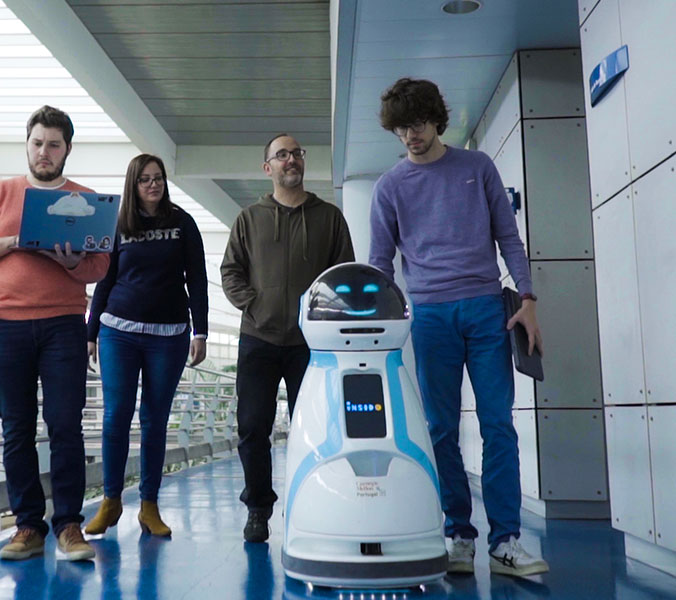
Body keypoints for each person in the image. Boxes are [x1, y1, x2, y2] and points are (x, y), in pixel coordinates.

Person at [369, 78, 549, 578]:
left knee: (498, 425)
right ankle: (459, 536)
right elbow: (380, 265)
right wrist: (380, 329)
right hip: (429, 317)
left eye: (419, 124)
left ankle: (506, 541)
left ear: (437, 119)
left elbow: (508, 239)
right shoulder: (389, 187)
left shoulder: (478, 168)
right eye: (402, 128)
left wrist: (529, 298)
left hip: (487, 309)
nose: (411, 135)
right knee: (441, 430)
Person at [0, 105, 109, 562]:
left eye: (54, 145)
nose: (45, 152)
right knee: (16, 428)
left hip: (64, 325)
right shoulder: (1, 193)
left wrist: (71, 264)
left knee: (65, 426)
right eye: (38, 143)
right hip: (6, 325)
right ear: (28, 145)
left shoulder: (88, 199)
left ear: (67, 150)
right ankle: (28, 525)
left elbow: (101, 264)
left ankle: (68, 525)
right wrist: (11, 242)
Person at [221, 134, 355, 542]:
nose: (290, 160)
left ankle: (313, 503)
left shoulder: (329, 217)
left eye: (296, 153)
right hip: (258, 339)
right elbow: (231, 271)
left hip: (310, 345)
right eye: (281, 155)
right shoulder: (249, 218)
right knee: (253, 426)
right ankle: (259, 508)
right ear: (268, 168)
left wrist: (321, 317)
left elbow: (344, 275)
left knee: (315, 428)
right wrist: (254, 305)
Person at [84, 154, 209, 537]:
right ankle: (110, 502)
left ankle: (149, 505)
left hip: (168, 336)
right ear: (133, 184)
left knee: (155, 419)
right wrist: (90, 332)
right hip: (118, 331)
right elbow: (105, 279)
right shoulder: (118, 224)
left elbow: (198, 279)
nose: (153, 185)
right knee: (115, 416)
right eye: (145, 180)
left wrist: (200, 331)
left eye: (158, 178)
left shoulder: (182, 223)